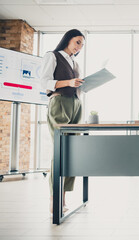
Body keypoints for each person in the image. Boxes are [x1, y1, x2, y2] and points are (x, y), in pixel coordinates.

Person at [40, 29, 85, 213]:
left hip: (75, 104)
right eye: (77, 42)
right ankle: (54, 199)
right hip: (59, 102)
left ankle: (64, 197)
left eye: (82, 44)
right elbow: (45, 82)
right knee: (60, 149)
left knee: (72, 151)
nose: (79, 46)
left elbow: (75, 85)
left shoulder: (75, 63)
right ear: (68, 40)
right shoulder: (53, 56)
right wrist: (68, 82)